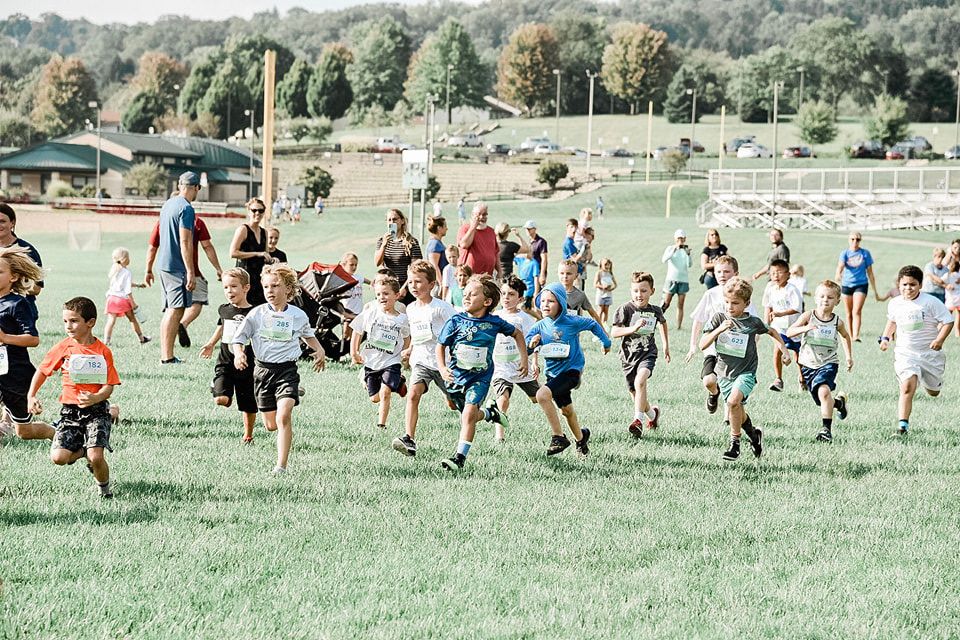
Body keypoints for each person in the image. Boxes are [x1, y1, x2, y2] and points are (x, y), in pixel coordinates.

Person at [231, 263, 326, 474]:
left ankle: (281, 466)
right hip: (262, 372)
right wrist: (239, 353)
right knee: (271, 425)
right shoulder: (257, 314)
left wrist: (319, 351)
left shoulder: (298, 315)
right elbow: (239, 339)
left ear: (288, 289)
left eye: (275, 286)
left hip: (287, 371)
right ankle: (288, 396)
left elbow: (307, 334)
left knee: (284, 417)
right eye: (266, 287)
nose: (270, 291)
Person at [27, 297, 120, 498]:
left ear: (91, 322)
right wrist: (31, 395)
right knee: (58, 458)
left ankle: (104, 491)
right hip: (70, 412)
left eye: (74, 321)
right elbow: (43, 371)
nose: (68, 326)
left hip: (96, 411)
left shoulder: (103, 351)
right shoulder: (63, 347)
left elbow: (109, 385)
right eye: (65, 321)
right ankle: (84, 450)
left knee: (96, 457)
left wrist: (96, 397)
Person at [436, 275, 525, 470]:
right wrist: (442, 368)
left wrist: (524, 359)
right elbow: (440, 346)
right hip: (455, 377)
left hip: (480, 378)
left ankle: (459, 458)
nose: (466, 297)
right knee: (459, 409)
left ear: (487, 302)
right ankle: (490, 414)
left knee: (468, 415)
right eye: (465, 294)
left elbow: (517, 333)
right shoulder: (456, 321)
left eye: (472, 294)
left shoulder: (495, 323)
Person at [700, 277, 792, 461]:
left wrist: (784, 350)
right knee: (738, 412)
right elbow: (703, 344)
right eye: (726, 302)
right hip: (724, 374)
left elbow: (772, 331)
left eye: (735, 303)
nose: (730, 307)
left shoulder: (752, 322)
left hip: (746, 373)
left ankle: (735, 445)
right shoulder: (719, 318)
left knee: (733, 403)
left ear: (747, 303)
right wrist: (719, 330)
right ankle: (754, 436)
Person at [527, 282, 611, 457]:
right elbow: (527, 347)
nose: (545, 305)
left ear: (561, 304)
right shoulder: (539, 327)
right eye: (543, 301)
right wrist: (532, 343)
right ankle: (581, 440)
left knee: (542, 395)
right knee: (566, 411)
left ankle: (559, 437)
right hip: (553, 375)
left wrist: (606, 342)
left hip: (572, 371)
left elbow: (593, 324)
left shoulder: (572, 322)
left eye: (551, 301)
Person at [879, 265, 954, 435]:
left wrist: (939, 340)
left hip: (929, 355)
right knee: (907, 387)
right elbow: (892, 322)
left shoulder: (930, 302)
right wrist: (885, 339)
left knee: (934, 392)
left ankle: (929, 383)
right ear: (899, 285)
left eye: (912, 284)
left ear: (920, 285)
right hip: (905, 353)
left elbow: (948, 321)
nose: (908, 288)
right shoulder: (895, 303)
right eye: (904, 284)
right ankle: (902, 427)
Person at [393, 260, 456, 457]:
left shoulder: (442, 308)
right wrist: (410, 349)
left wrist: (454, 357)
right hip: (421, 362)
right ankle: (409, 439)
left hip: (443, 363)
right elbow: (416, 333)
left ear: (432, 285)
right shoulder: (410, 308)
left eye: (419, 282)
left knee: (455, 404)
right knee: (413, 394)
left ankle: (487, 413)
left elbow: (456, 330)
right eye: (411, 282)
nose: (414, 286)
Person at [686, 255, 757, 415]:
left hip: (734, 350)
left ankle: (729, 417)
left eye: (727, 271)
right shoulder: (710, 294)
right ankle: (714, 393)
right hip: (712, 347)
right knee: (709, 381)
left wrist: (752, 348)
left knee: (731, 384)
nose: (722, 275)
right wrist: (692, 345)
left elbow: (754, 324)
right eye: (718, 271)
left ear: (736, 273)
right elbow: (698, 320)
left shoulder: (743, 297)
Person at [785, 280, 853, 443]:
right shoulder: (809, 316)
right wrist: (805, 328)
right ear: (815, 298)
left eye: (830, 297)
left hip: (829, 363)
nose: (825, 300)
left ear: (837, 301)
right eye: (822, 296)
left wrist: (849, 356)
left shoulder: (837, 322)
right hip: (808, 364)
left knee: (823, 392)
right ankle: (839, 403)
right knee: (821, 399)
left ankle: (826, 430)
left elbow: (845, 336)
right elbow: (790, 331)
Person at [200, 268, 258, 444]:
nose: (229, 291)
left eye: (234, 286)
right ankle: (218, 386)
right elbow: (222, 327)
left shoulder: (255, 312)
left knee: (248, 404)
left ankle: (248, 435)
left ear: (246, 288)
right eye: (226, 287)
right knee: (222, 400)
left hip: (248, 365)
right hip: (226, 362)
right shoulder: (224, 310)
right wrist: (210, 344)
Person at [611, 271, 668, 438]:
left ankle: (638, 421)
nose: (639, 294)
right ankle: (652, 415)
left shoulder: (655, 311)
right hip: (628, 357)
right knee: (635, 392)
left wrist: (665, 345)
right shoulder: (625, 309)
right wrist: (633, 328)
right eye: (636, 290)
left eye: (644, 290)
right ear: (631, 291)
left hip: (647, 353)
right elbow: (614, 332)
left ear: (652, 291)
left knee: (640, 381)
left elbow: (663, 324)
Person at [350, 274, 411, 430]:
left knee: (385, 393)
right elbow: (357, 331)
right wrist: (354, 352)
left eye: (386, 293)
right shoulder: (371, 312)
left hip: (391, 361)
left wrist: (406, 354)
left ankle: (381, 425)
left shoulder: (402, 319)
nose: (381, 297)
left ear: (396, 295)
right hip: (371, 361)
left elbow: (406, 337)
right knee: (375, 398)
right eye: (378, 294)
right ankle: (399, 383)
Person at [0, 247, 49, 441]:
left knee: (24, 432)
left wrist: (4, 338)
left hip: (15, 375)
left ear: (13, 277)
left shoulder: (17, 304)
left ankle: (55, 433)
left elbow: (33, 339)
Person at [149, 171, 198, 364]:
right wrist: (190, 271)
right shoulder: (186, 208)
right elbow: (185, 242)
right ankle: (167, 357)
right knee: (176, 310)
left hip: (164, 264)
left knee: (171, 309)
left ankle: (166, 355)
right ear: (196, 188)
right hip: (177, 266)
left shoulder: (168, 204)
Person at [488, 276, 540, 442]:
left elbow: (535, 342)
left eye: (511, 294)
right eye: (503, 293)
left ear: (520, 298)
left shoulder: (525, 319)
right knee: (503, 398)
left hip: (521, 366)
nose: (506, 297)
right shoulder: (495, 316)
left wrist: (535, 362)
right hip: (500, 367)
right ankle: (499, 437)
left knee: (537, 398)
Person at [762, 259, 803, 392]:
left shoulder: (792, 290)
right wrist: (765, 325)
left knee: (799, 356)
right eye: (773, 273)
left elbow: (797, 308)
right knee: (777, 350)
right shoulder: (770, 288)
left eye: (779, 272)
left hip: (794, 328)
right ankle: (778, 379)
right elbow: (767, 306)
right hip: (778, 328)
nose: (776, 276)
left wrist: (780, 313)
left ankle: (802, 379)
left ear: (788, 274)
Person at [0, 203, 43, 320]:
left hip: (21, 312)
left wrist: (10, 286)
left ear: (12, 223)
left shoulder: (27, 250)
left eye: (2, 221)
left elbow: (37, 288)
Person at [835, 232, 878, 342]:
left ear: (860, 241)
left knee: (857, 310)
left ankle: (856, 336)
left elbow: (870, 272)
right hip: (847, 284)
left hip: (861, 284)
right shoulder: (845, 253)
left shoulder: (865, 253)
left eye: (857, 239)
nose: (855, 241)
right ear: (849, 240)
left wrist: (875, 291)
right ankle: (850, 334)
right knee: (849, 312)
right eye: (852, 239)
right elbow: (840, 267)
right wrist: (838, 275)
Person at [230, 198, 272, 307]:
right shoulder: (243, 229)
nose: (257, 213)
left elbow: (266, 255)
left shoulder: (264, 232)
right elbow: (233, 253)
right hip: (244, 276)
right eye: (254, 210)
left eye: (261, 211)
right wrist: (257, 253)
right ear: (249, 211)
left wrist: (271, 260)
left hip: (259, 277)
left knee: (260, 308)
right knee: (242, 308)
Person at [103, 247, 149, 346]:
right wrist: (133, 303)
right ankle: (142, 338)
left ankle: (106, 341)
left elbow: (121, 284)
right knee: (132, 319)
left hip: (111, 298)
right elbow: (127, 290)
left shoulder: (114, 269)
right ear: (124, 259)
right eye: (128, 257)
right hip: (121, 299)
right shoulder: (127, 272)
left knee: (110, 321)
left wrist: (137, 285)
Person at [375, 209, 423, 303]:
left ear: (402, 221)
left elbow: (416, 268)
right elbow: (377, 263)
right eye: (389, 220)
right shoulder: (382, 240)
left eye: (395, 219)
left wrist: (405, 287)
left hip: (404, 285)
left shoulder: (412, 242)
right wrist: (384, 245)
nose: (392, 222)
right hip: (386, 284)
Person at [556, 259, 605, 329]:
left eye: (569, 273)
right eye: (562, 273)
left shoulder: (580, 295)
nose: (565, 276)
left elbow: (593, 313)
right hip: (555, 332)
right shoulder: (553, 292)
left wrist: (602, 330)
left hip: (573, 333)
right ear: (557, 274)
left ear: (576, 276)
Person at [660, 229, 692, 329]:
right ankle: (657, 320)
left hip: (683, 280)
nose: (680, 241)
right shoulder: (670, 248)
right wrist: (674, 250)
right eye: (679, 238)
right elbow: (664, 259)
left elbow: (689, 264)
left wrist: (688, 254)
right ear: (675, 239)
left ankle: (679, 326)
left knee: (680, 304)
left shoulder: (686, 250)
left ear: (685, 239)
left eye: (682, 238)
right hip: (671, 279)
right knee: (666, 303)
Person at [457, 202, 499, 277]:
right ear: (473, 215)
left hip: (487, 277)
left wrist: (500, 271)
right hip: (469, 277)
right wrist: (473, 227)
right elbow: (464, 244)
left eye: (485, 214)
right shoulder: (465, 228)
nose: (482, 217)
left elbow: (496, 253)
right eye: (479, 214)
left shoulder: (491, 231)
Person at [524, 220, 548, 293]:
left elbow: (544, 259)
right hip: (530, 272)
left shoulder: (541, 242)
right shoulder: (529, 241)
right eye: (526, 229)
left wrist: (542, 274)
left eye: (529, 229)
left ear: (534, 229)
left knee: (538, 293)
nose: (527, 231)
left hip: (538, 272)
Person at [593, 257, 617, 325]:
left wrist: (611, 288)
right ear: (601, 265)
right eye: (605, 264)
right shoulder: (599, 273)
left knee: (606, 311)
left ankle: (604, 324)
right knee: (600, 310)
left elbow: (615, 284)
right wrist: (602, 287)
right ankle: (598, 324)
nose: (607, 266)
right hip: (601, 294)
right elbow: (595, 284)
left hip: (608, 295)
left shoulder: (610, 274)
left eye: (608, 264)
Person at [424, 216, 448, 281]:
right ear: (439, 228)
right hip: (437, 283)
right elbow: (434, 266)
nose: (447, 228)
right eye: (445, 226)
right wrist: (441, 284)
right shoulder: (434, 244)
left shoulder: (437, 243)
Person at [945, 259, 960, 338]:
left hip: (953, 299)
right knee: (954, 316)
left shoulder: (948, 275)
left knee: (948, 317)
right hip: (954, 298)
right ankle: (956, 333)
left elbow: (941, 281)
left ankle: (955, 332)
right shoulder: (950, 275)